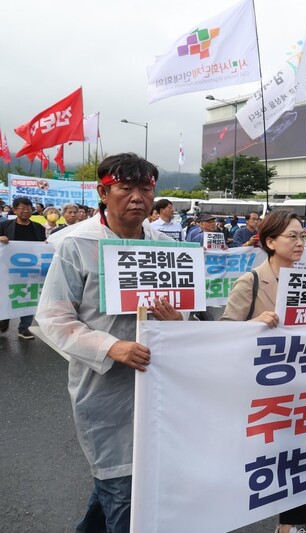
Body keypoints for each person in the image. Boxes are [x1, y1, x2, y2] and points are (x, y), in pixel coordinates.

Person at [36, 153, 183, 532]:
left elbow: (191, 314)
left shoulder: (167, 247)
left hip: (158, 381)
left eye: (145, 189)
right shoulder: (77, 245)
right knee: (122, 486)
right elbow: (53, 317)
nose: (137, 197)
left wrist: (177, 320)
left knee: (132, 480)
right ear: (104, 192)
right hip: (104, 388)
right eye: (126, 188)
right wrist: (109, 347)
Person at [221, 209, 306, 533]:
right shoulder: (251, 282)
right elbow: (222, 335)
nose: (301, 242)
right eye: (292, 236)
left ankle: (290, 524)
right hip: (265, 391)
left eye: (303, 235)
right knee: (270, 458)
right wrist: (252, 325)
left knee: (302, 452)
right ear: (270, 241)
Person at [0, 197, 47, 339]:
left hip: (32, 269)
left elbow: (42, 247)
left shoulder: (38, 228)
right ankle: (4, 319)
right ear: (14, 210)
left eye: (28, 208)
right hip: (8, 268)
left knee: (28, 297)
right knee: (7, 295)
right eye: (22, 208)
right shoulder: (5, 225)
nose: (26, 211)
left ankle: (24, 327)